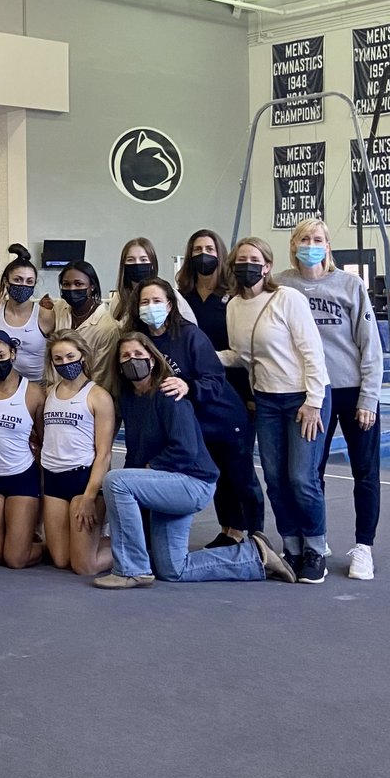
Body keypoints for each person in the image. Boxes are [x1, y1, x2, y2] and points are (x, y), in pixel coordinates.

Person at [97, 332, 296, 589]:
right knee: (172, 569)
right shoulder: (129, 400)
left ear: (153, 359)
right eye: (125, 356)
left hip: (192, 482)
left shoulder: (168, 393)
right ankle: (256, 555)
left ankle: (130, 569)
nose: (131, 360)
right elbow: (135, 455)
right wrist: (141, 478)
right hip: (166, 483)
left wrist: (148, 470)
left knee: (115, 481)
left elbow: (185, 450)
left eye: (138, 354)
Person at [219, 236, 330, 584]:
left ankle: (315, 547)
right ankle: (292, 547)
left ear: (266, 266)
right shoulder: (233, 306)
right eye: (240, 260)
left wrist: (314, 402)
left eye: (254, 259)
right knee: (277, 481)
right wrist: (206, 357)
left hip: (302, 399)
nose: (246, 265)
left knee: (302, 478)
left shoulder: (287, 298)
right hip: (266, 401)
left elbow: (312, 351)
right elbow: (241, 354)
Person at [277, 218, 382, 580]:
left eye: (318, 239)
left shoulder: (350, 285)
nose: (311, 243)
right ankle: (315, 541)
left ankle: (364, 547)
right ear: (293, 245)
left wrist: (368, 398)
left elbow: (370, 345)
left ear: (328, 246)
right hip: (309, 392)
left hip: (351, 390)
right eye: (305, 238)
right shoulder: (282, 284)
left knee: (365, 473)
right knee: (309, 472)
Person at [125, 277, 264, 549]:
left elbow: (214, 377)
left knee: (241, 479)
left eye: (156, 301)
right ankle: (230, 532)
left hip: (223, 418)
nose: (150, 306)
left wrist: (188, 385)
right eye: (144, 302)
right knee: (217, 477)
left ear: (169, 304)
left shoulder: (189, 335)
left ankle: (256, 538)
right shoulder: (139, 340)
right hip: (194, 424)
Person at [38, 331, 114, 575]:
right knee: (60, 559)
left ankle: (136, 545)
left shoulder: (98, 396)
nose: (64, 363)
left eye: (70, 356)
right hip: (53, 479)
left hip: (83, 480)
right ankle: (86, 544)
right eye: (58, 359)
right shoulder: (49, 393)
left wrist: (90, 496)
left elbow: (104, 454)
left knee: (84, 566)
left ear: (82, 356)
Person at [0, 330, 44, 569]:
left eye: (1, 355)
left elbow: (42, 439)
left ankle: (49, 545)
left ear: (13, 353)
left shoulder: (33, 393)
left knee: (15, 559)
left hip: (21, 477)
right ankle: (16, 539)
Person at [176, 229, 251, 407]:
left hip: (232, 383)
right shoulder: (181, 297)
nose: (203, 254)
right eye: (198, 250)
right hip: (193, 384)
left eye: (210, 249)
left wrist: (249, 397)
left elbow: (244, 350)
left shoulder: (235, 295)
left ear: (220, 254)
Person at [48, 260, 120, 392]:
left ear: (92, 286)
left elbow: (102, 377)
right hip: (54, 392)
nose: (72, 289)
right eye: (66, 284)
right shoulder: (58, 309)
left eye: (78, 284)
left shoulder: (107, 327)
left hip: (88, 398)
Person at [0, 243, 52, 382]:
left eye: (29, 281)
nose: (23, 285)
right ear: (6, 281)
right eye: (17, 279)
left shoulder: (46, 316)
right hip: (3, 385)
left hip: (37, 385)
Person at [108, 237, 196, 323]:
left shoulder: (170, 295)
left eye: (143, 259)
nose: (137, 263)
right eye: (131, 260)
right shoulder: (118, 300)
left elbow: (191, 327)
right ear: (123, 265)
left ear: (153, 264)